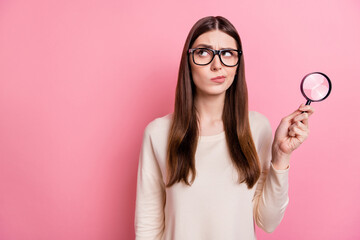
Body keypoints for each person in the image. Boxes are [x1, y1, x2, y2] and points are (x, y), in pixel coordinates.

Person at [134, 16, 314, 240]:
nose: (217, 65)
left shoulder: (257, 128)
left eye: (228, 53)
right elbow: (148, 226)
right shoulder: (158, 133)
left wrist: (281, 157)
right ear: (188, 62)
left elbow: (268, 222)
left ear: (238, 65)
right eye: (203, 52)